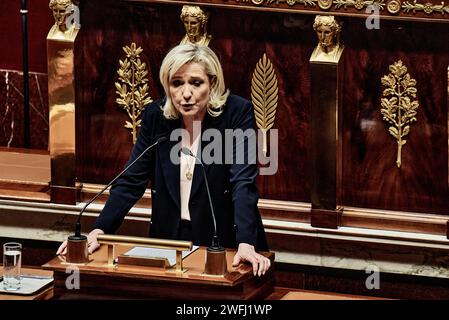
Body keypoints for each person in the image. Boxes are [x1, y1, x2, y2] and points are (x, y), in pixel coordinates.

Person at [57, 44, 271, 276]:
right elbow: (130, 181)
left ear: (212, 83)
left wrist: (246, 242)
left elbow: (243, 183)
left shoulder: (236, 114)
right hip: (169, 243)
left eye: (196, 83)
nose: (185, 93)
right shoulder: (156, 116)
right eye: (177, 83)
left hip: (226, 243)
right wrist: (99, 230)